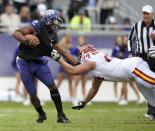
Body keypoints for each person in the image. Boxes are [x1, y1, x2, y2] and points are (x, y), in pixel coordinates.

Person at [51, 44, 155, 120]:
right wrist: (84, 102)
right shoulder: (98, 66)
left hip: (134, 68)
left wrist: (58, 59)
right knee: (152, 101)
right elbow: (94, 89)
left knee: (152, 82)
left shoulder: (91, 59)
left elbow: (72, 71)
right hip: (133, 71)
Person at [13, 9, 79, 123]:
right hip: (25, 62)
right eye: (55, 21)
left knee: (52, 86)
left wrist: (78, 64)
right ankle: (42, 114)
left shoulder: (53, 35)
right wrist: (26, 42)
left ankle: (61, 115)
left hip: (39, 62)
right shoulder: (37, 25)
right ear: (48, 19)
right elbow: (16, 33)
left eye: (57, 22)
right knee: (33, 96)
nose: (56, 24)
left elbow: (64, 52)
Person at [128, 4, 155, 120]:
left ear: (152, 15)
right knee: (146, 84)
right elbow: (130, 39)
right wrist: (130, 53)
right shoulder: (137, 26)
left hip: (154, 57)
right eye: (144, 13)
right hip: (141, 57)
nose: (145, 16)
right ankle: (151, 110)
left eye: (147, 14)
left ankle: (151, 110)